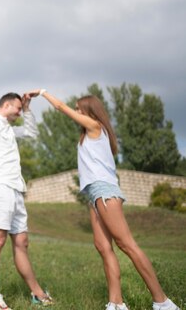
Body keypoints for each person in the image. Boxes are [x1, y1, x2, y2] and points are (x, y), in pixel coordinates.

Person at [37, 89, 181, 310]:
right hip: (94, 194)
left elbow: (60, 107)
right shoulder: (87, 134)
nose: (76, 112)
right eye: (76, 109)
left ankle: (163, 302)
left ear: (90, 112)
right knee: (103, 246)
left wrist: (42, 93)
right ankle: (116, 303)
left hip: (105, 191)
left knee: (127, 244)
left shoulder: (96, 128)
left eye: (79, 109)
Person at [0, 92, 53, 309]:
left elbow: (31, 133)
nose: (19, 113)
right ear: (6, 105)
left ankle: (37, 294)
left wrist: (28, 109)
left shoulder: (7, 127)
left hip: (15, 188)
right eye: (18, 109)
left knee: (21, 242)